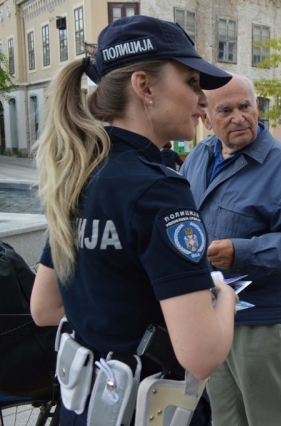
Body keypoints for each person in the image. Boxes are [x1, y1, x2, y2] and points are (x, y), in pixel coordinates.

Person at [28, 15, 238, 426]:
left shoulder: (76, 175)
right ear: (144, 86)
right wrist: (225, 298)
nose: (203, 100)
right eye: (191, 83)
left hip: (83, 408)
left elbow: (44, 307)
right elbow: (202, 354)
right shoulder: (160, 189)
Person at [181, 74, 281, 426]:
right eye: (225, 110)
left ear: (257, 106)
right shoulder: (200, 156)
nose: (238, 117)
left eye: (245, 106)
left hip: (259, 316)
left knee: (267, 415)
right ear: (206, 118)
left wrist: (241, 252)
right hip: (212, 312)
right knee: (225, 413)